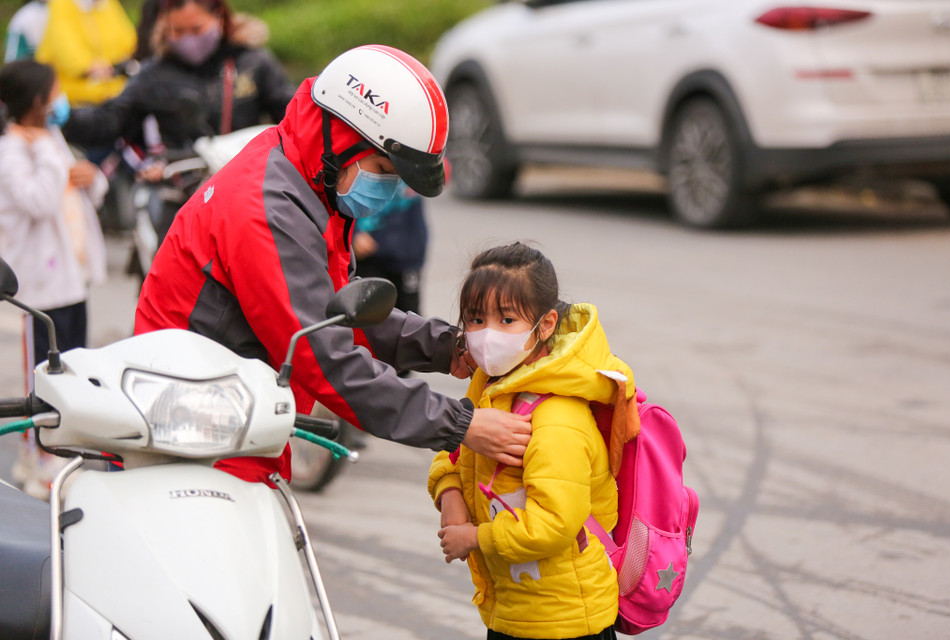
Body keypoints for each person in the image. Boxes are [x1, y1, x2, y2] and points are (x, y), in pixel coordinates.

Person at [133, 44, 532, 485]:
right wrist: (459, 424)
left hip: (229, 421)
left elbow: (337, 316)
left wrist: (447, 346)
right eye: (384, 169)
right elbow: (323, 355)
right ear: (342, 137)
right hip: (188, 436)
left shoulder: (305, 181)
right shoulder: (266, 209)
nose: (387, 188)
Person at [428, 242, 639, 640]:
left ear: (545, 325)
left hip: (564, 618)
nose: (487, 334)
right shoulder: (491, 385)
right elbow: (454, 444)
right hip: (516, 609)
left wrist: (474, 537)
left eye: (507, 319)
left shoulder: (557, 418)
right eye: (475, 319)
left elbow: (554, 524)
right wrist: (450, 493)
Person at [0, 59, 108, 497]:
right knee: (42, 373)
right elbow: (40, 201)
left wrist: (90, 177)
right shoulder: (12, 150)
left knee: (71, 367)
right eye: (55, 91)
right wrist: (49, 153)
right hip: (38, 287)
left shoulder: (49, 140)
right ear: (37, 100)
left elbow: (84, 193)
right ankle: (35, 457)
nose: (61, 99)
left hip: (70, 277)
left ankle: (59, 452)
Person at [62, 0, 294, 156]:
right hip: (184, 189)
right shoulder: (154, 74)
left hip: (251, 180)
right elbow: (110, 120)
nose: (188, 39)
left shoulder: (252, 62)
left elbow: (291, 116)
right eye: (178, 31)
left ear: (219, 18)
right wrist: (64, 116)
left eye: (196, 29)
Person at [34, 0, 137, 107]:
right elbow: (68, 54)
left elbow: (129, 41)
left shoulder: (107, 3)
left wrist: (124, 61)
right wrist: (92, 68)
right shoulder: (61, 4)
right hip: (73, 98)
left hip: (111, 92)